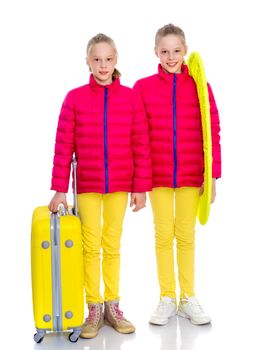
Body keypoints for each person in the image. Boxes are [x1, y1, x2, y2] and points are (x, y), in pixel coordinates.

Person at [48, 33, 152, 338]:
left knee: (112, 245)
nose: (102, 65)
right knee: (90, 246)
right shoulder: (75, 98)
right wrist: (59, 188)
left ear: (116, 59)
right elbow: (63, 145)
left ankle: (113, 305)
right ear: (87, 62)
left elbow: (141, 144)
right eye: (96, 59)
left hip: (120, 184)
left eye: (108, 59)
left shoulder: (131, 97)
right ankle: (93, 307)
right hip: (88, 185)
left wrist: (141, 187)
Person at [133, 24, 221, 326]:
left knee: (186, 236)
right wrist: (139, 183)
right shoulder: (142, 88)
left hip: (190, 175)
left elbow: (212, 131)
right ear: (156, 52)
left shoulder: (199, 85)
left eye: (176, 51)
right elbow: (137, 137)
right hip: (156, 176)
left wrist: (212, 178)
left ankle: (188, 297)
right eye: (165, 51)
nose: (171, 57)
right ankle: (167, 297)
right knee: (163, 235)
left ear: (185, 51)